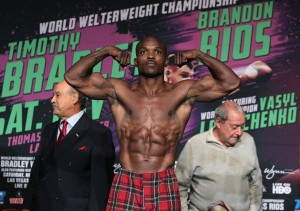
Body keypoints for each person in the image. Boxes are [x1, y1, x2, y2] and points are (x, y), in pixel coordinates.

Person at [64, 35, 241, 210]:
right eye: (143, 52)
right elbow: (73, 78)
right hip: (128, 179)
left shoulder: (183, 91)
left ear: (165, 61)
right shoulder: (118, 90)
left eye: (157, 52)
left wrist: (198, 54)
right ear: (136, 59)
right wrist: (106, 51)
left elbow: (230, 83)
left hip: (163, 180)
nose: (150, 56)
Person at [22, 80, 115, 211]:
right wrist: (27, 206)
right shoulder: (48, 130)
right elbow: (36, 173)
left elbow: (100, 186)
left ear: (74, 98)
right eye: (53, 95)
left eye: (58, 95)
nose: (52, 100)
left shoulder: (98, 133)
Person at [175, 101, 263, 211]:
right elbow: (180, 185)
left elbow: (256, 182)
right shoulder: (195, 145)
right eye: (234, 127)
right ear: (218, 122)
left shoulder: (248, 141)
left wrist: (254, 209)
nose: (239, 132)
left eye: (242, 126)